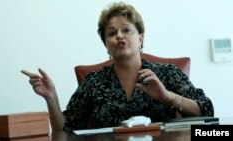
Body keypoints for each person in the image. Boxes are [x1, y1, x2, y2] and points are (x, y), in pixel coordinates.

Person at [21, 1, 214, 132]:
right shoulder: (94, 82)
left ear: (140, 38)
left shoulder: (167, 73)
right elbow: (65, 131)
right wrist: (52, 97)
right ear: (106, 44)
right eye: (111, 33)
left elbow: (206, 110)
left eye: (126, 30)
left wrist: (167, 97)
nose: (119, 36)